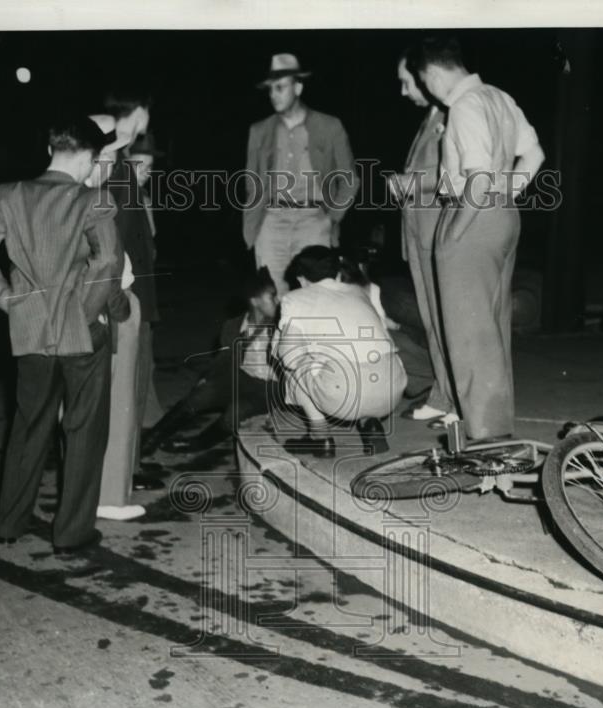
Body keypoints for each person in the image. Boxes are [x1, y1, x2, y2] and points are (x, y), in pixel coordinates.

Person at [0, 116, 128, 554]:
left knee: (28, 426)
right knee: (83, 432)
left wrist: (6, 299)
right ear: (91, 158)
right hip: (83, 335)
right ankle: (71, 533)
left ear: (50, 151)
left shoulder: (7, 196)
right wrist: (84, 314)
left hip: (31, 333)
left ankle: (9, 523)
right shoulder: (94, 200)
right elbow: (107, 262)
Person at [410, 37, 545, 440]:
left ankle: (486, 439)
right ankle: (496, 428)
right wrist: (507, 194)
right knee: (492, 328)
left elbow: (479, 175)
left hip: (472, 215)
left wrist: (456, 229)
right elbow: (535, 154)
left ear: (433, 74)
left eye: (423, 81)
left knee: (468, 335)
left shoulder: (464, 107)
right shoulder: (499, 97)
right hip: (503, 216)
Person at [274, 246, 408, 459]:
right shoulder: (358, 291)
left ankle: (320, 437)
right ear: (338, 273)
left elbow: (289, 358)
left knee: (284, 352)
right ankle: (370, 423)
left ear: (301, 279)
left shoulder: (295, 298)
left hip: (343, 393)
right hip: (393, 387)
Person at [243, 53, 359, 296]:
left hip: (313, 220)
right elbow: (252, 183)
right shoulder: (259, 131)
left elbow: (349, 179)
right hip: (271, 221)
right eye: (270, 89)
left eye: (280, 87)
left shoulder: (329, 126)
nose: (273, 94)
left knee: (314, 295)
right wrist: (254, 228)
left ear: (298, 87)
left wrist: (331, 218)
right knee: (272, 297)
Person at [100, 91, 168, 481]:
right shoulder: (113, 167)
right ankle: (123, 468)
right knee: (126, 384)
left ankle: (131, 462)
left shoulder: (122, 166)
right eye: (139, 120)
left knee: (135, 381)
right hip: (127, 293)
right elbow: (115, 238)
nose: (143, 129)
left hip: (137, 290)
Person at [84, 113, 149, 522]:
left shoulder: (68, 192)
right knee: (117, 402)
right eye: (110, 152)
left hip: (84, 306)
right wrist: (117, 306)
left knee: (83, 407)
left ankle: (89, 491)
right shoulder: (99, 195)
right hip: (111, 301)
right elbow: (107, 259)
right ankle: (110, 496)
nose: (115, 161)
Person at [140, 268, 280, 455]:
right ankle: (149, 442)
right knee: (199, 396)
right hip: (241, 377)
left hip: (268, 388)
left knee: (235, 414)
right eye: (272, 297)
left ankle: (196, 444)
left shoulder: (282, 325)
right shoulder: (235, 326)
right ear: (255, 301)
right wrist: (207, 379)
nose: (277, 301)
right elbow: (224, 360)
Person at [388, 50, 454, 424]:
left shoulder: (450, 117)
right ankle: (442, 395)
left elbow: (455, 175)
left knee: (445, 321)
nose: (402, 90)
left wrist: (407, 183)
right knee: (433, 321)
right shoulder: (431, 118)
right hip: (418, 231)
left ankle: (454, 400)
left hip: (436, 231)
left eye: (407, 81)